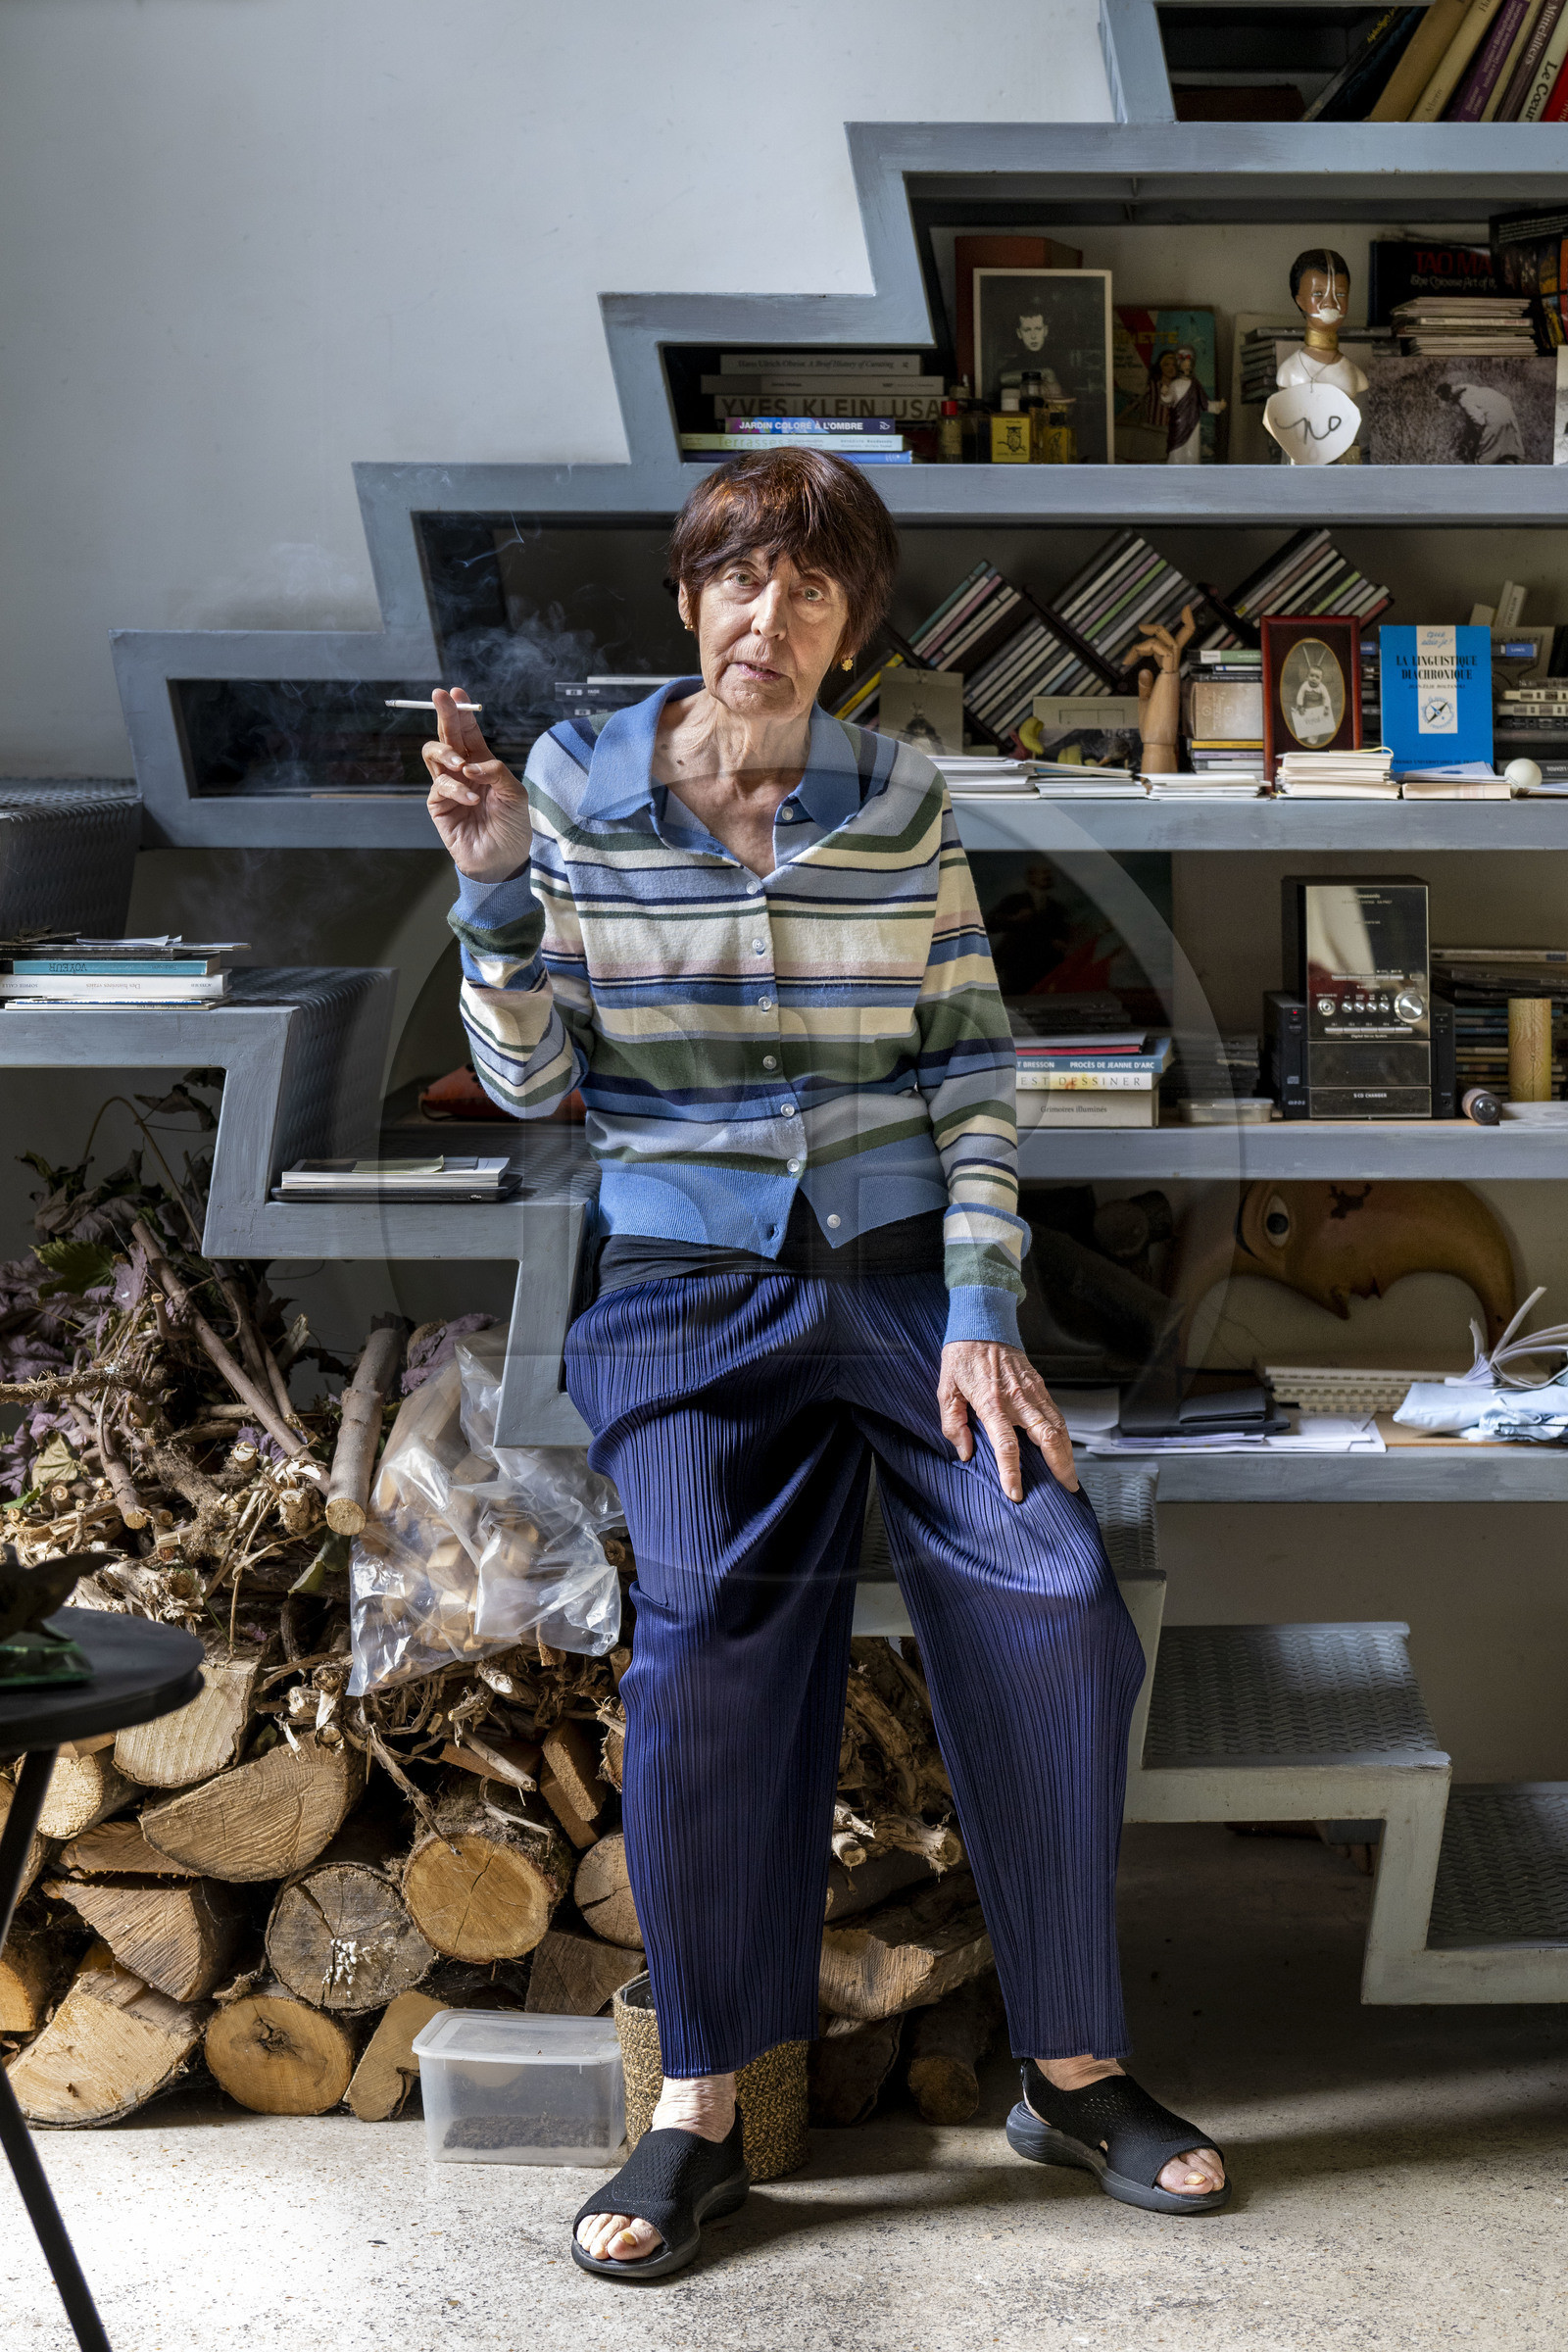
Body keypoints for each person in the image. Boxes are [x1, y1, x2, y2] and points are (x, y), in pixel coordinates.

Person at [424, 449, 1228, 2281]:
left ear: (853, 630)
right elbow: (540, 1090)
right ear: (687, 603)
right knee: (709, 1627)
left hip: (900, 1286)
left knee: (1049, 1587)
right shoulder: (570, 789)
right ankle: (702, 2104)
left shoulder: (898, 794)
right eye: (736, 582)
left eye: (808, 592)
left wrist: (978, 1305)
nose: (765, 619)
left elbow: (968, 1075)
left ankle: (1076, 2071)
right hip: (687, 1299)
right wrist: (486, 898)